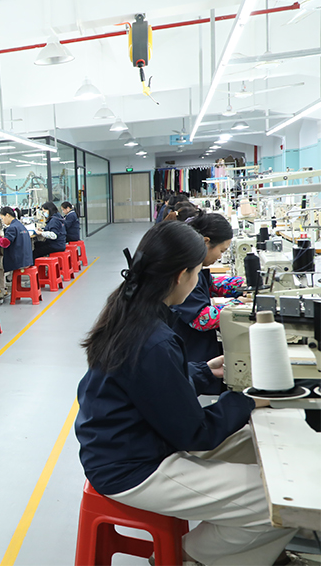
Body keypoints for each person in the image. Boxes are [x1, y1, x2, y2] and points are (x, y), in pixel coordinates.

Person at [75, 221, 295, 566]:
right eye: (197, 272)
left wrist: (205, 372)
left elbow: (149, 384)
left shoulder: (132, 310)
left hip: (136, 441)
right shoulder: (153, 339)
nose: (197, 280)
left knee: (259, 446)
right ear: (181, 276)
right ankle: (185, 556)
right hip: (135, 467)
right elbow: (196, 433)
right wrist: (249, 399)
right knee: (282, 497)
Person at [171, 211, 246, 364]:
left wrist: (241, 284)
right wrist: (239, 304)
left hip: (197, 349)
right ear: (206, 242)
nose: (220, 257)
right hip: (192, 357)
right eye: (221, 251)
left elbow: (211, 285)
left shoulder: (193, 266)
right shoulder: (184, 272)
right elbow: (202, 318)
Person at [0, 206, 33, 299]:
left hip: (18, 261)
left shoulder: (12, 228)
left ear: (8, 215)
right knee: (0, 260)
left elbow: (5, 243)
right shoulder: (20, 225)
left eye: (2, 218)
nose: (3, 221)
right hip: (26, 259)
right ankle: (3, 289)